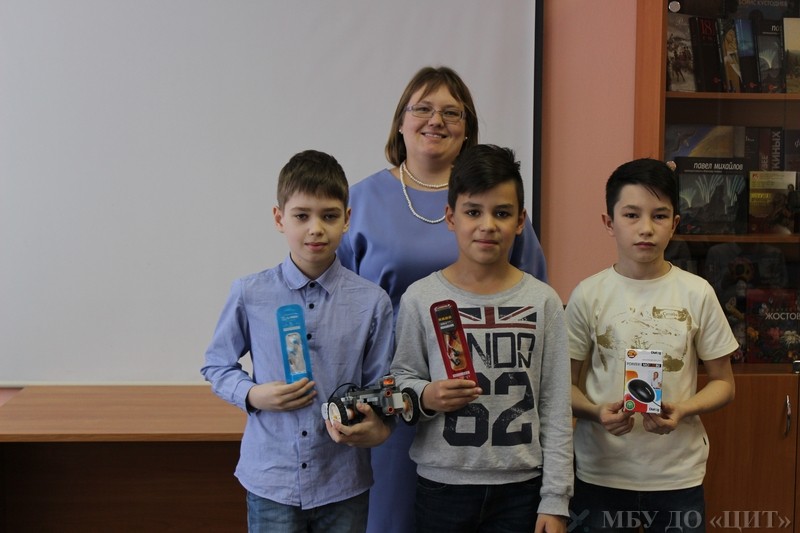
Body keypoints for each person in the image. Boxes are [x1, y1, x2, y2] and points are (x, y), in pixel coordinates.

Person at [337, 65, 549, 533]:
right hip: (390, 398)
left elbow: (532, 293)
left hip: (483, 403)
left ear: (467, 128)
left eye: (452, 112)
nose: (436, 120)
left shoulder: (491, 200)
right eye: (423, 108)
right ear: (400, 121)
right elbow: (339, 306)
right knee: (393, 521)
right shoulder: (361, 201)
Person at [201, 150, 395, 533]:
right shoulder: (249, 293)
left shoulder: (372, 302)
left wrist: (378, 425)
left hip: (342, 481)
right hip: (271, 479)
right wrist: (253, 395)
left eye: (329, 216)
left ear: (347, 219)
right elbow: (216, 365)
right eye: (301, 216)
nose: (315, 229)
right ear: (279, 219)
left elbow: (381, 386)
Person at [390, 144, 573, 533]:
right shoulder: (420, 298)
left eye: (501, 213)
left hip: (521, 490)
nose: (487, 225)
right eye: (473, 212)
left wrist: (556, 499)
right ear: (450, 217)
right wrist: (426, 395)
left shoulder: (543, 301)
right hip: (442, 487)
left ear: (520, 221)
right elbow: (401, 379)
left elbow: (555, 405)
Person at [566, 158, 737, 533]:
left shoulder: (697, 293)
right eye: (631, 215)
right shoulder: (588, 295)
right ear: (609, 222)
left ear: (674, 224)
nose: (645, 228)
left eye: (659, 216)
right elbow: (564, 385)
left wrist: (684, 409)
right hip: (600, 474)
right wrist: (596, 412)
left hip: (677, 476)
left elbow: (724, 383)